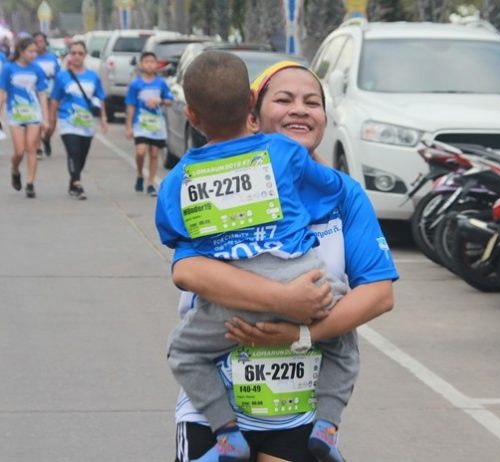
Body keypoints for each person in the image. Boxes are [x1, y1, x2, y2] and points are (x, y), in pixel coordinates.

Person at [156, 53, 395, 462]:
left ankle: (325, 427)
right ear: (253, 108)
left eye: (312, 102)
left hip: (294, 415)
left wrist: (301, 335)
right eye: (284, 99)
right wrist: (286, 302)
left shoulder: (345, 194)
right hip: (212, 403)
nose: (299, 109)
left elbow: (379, 294)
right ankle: (232, 431)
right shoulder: (207, 178)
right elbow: (188, 270)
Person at [48, 40, 107, 200]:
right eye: (73, 53)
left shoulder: (93, 76)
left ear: (85, 55)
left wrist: (103, 118)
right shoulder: (62, 76)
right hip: (67, 121)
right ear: (69, 55)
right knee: (73, 152)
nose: (76, 56)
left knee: (81, 155)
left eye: (80, 53)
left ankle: (72, 182)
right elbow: (55, 99)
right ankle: (78, 183)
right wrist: (51, 119)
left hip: (86, 123)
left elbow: (100, 97)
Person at [0, 37, 48, 198]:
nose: (34, 55)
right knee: (19, 151)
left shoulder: (37, 69)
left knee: (31, 148)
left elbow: (42, 94)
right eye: (30, 51)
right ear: (21, 51)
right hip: (15, 113)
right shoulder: (9, 68)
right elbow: (2, 92)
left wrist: (46, 118)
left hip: (33, 113)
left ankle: (30, 183)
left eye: (35, 52)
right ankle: (15, 169)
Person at [125, 51, 173, 197]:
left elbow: (170, 100)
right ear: (141, 64)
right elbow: (131, 105)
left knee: (154, 153)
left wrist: (160, 100)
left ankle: (151, 183)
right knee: (140, 151)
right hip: (140, 123)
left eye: (152, 62)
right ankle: (140, 173)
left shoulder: (161, 83)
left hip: (156, 124)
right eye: (146, 62)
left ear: (156, 64)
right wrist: (129, 126)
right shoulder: (135, 84)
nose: (149, 65)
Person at [33, 32, 60, 158]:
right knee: (38, 120)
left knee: (52, 122)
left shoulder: (52, 58)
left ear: (45, 42)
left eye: (41, 41)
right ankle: (37, 147)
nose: (39, 44)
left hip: (52, 93)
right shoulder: (32, 58)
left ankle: (46, 138)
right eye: (36, 41)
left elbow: (58, 75)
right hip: (36, 94)